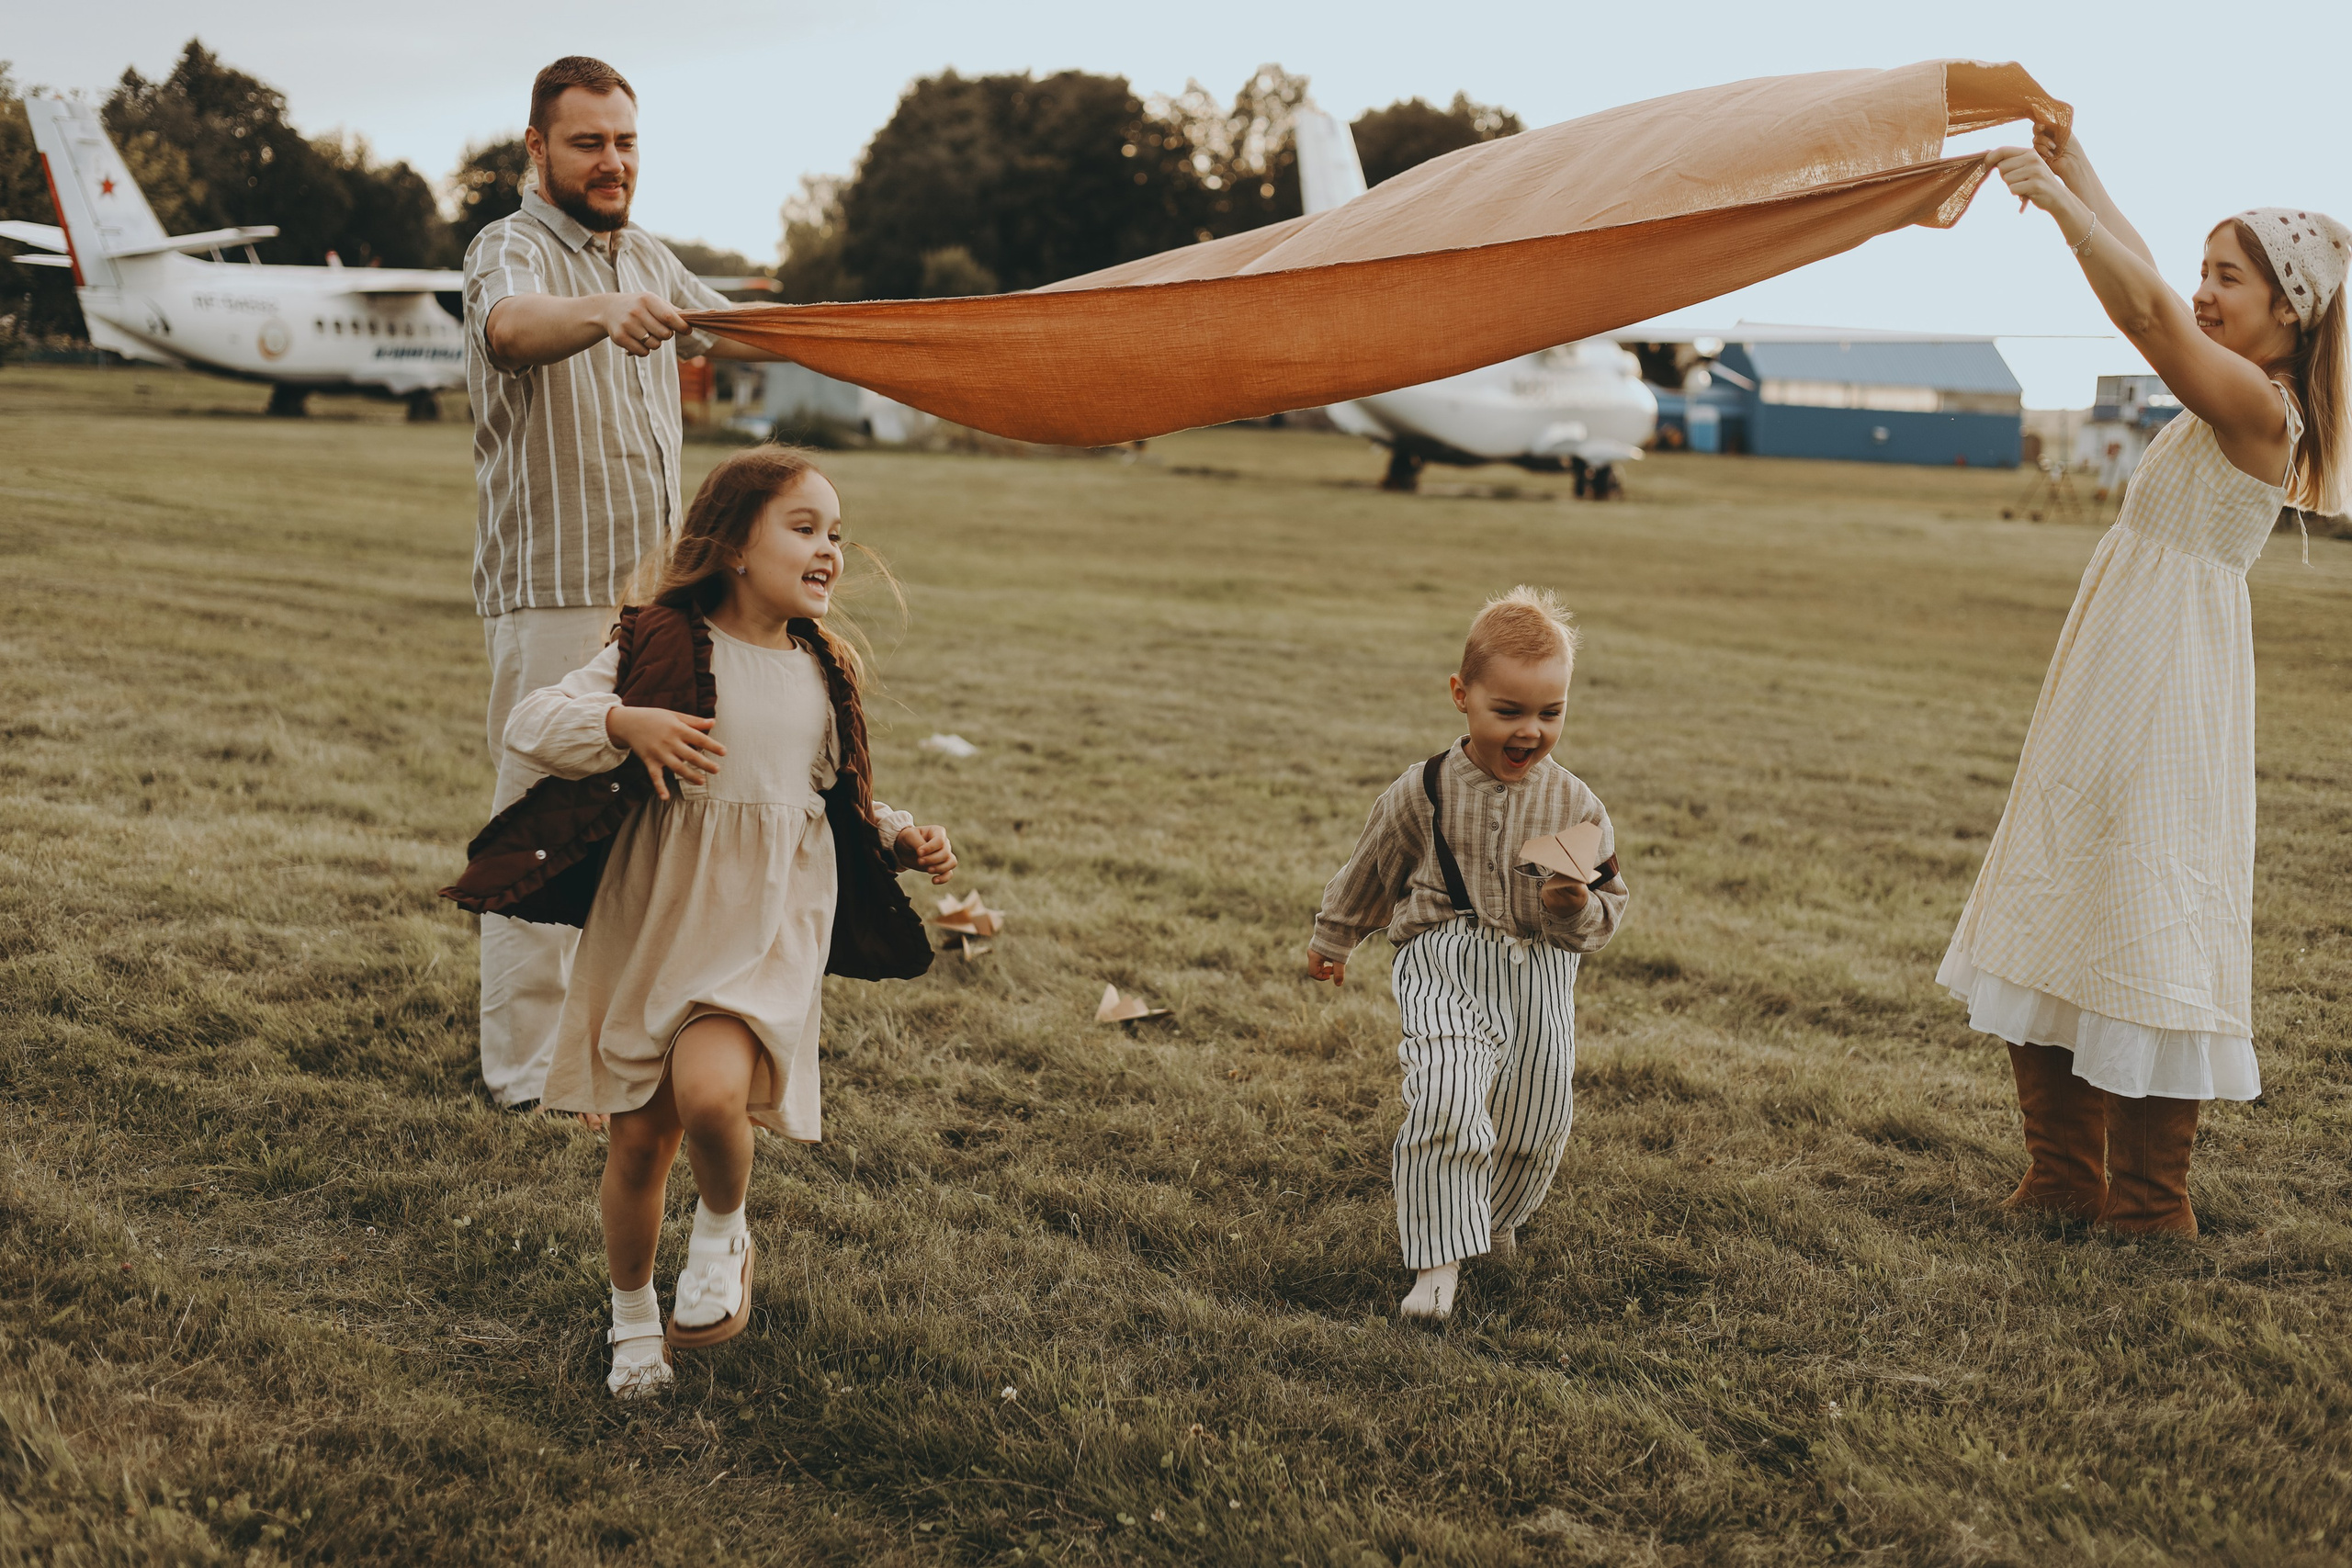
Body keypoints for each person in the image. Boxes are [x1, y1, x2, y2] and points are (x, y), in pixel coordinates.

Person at [1944, 129, 2348, 1235]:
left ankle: (2150, 1200)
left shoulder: (2261, 409)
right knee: (2061, 878)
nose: (2203, 292)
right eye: (2202, 270)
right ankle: (2062, 1176)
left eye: (2229, 278)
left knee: (2150, 904)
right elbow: (2158, 299)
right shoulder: (2222, 377)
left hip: (2173, 678)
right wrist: (2075, 167)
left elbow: (2149, 319)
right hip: (2112, 660)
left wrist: (2058, 208)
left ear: (2290, 312)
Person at [500, 447, 956, 1397]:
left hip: (763, 926)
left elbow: (827, 796)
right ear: (735, 544)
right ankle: (633, 1318)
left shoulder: (821, 670)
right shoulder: (659, 643)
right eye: (804, 527)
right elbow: (532, 722)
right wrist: (623, 724)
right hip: (658, 920)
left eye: (836, 534)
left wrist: (897, 835)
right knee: (638, 1144)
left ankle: (721, 1234)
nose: (829, 549)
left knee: (711, 1094)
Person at [463, 55, 783, 1110]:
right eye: (588, 142)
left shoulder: (645, 254)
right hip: (555, 588)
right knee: (542, 824)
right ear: (538, 148)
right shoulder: (507, 248)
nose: (613, 161)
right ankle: (523, 1077)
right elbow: (510, 328)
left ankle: (607, 1046)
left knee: (634, 828)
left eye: (626, 141)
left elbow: (739, 325)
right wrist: (601, 311)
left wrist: (877, 332)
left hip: (651, 598)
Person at [1306, 589, 1629, 1321]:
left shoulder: (1577, 806)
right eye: (1508, 711)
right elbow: (1372, 867)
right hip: (1445, 961)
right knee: (1447, 1097)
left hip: (1540, 975)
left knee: (1535, 1120)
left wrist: (1574, 907)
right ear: (1462, 694)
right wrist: (1334, 936)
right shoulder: (1422, 790)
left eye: (1550, 712)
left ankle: (1494, 1217)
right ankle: (1437, 1264)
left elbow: (1609, 911)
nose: (1530, 730)